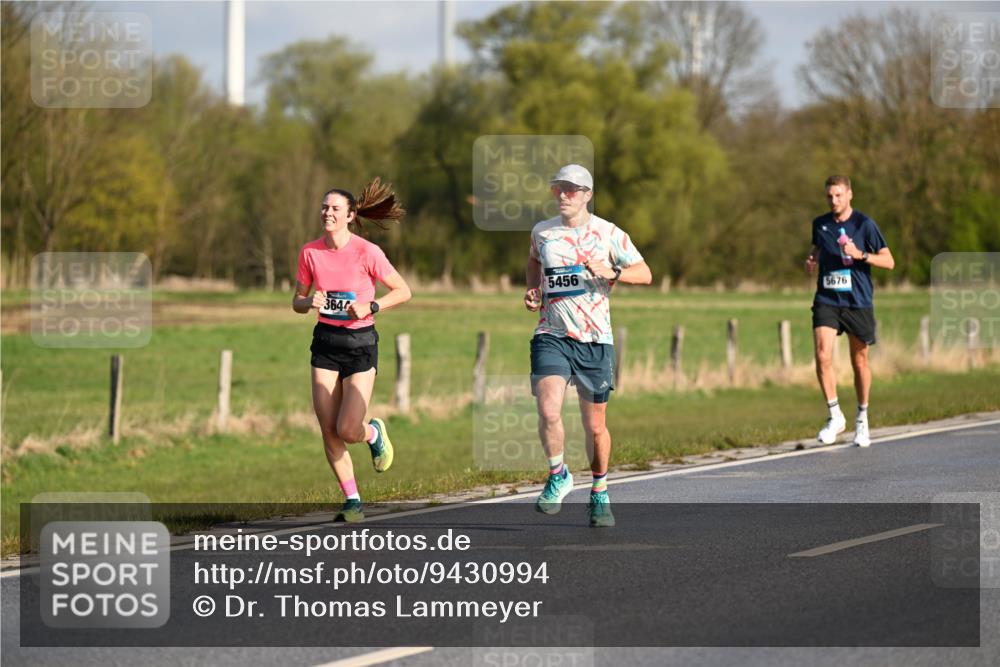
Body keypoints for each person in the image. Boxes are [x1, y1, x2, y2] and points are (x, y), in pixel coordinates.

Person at [524, 164, 652, 527]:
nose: (562, 195)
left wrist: (613, 272)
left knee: (595, 427)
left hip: (596, 339)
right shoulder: (542, 232)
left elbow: (645, 273)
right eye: (557, 189)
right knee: (549, 410)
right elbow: (534, 262)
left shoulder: (609, 233)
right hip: (552, 334)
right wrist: (533, 290)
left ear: (587, 195)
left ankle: (600, 490)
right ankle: (558, 474)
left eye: (570, 189)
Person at [293, 178, 412, 522]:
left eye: (334, 209)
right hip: (326, 343)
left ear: (349, 215)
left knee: (349, 428)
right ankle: (353, 500)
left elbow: (403, 290)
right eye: (324, 207)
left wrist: (371, 307)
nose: (327, 213)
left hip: (360, 345)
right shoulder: (310, 252)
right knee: (328, 428)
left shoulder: (367, 252)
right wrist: (306, 301)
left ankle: (373, 432)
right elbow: (296, 302)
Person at [805, 175, 894, 447]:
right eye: (830, 196)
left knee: (859, 362)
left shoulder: (864, 225)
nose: (834, 200)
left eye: (838, 195)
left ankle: (862, 420)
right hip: (828, 298)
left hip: (858, 301)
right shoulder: (820, 224)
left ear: (850, 195)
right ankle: (835, 417)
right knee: (822, 355)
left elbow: (889, 261)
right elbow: (818, 247)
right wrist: (812, 259)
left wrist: (861, 255)